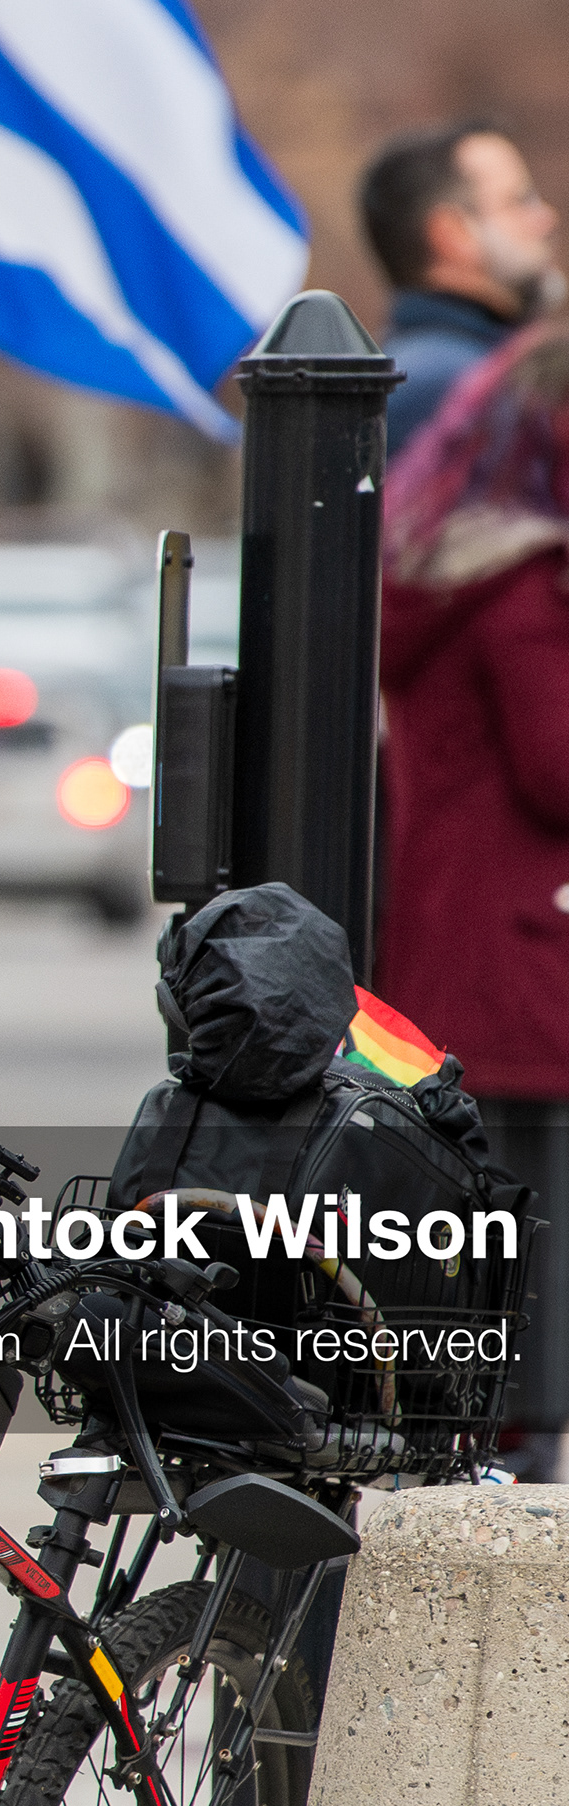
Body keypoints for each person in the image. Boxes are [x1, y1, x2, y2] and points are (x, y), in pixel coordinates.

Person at [381, 321, 569, 1480]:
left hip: (458, 966)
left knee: (480, 1271)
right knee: (526, 1304)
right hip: (524, 969)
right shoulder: (528, 589)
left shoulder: (456, 567)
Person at [361, 123, 560, 454]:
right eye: (520, 201)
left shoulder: (422, 371)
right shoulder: (455, 386)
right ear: (454, 234)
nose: (546, 218)